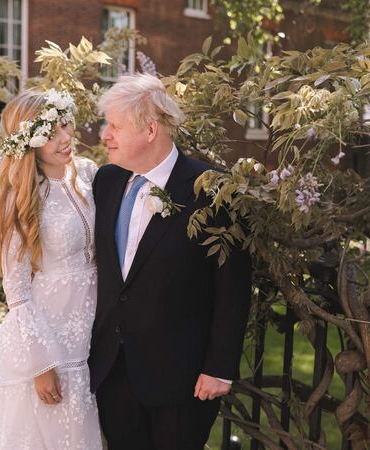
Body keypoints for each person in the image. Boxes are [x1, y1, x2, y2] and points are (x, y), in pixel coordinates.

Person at [89, 74, 252, 450]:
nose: (104, 135)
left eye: (114, 126)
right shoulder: (107, 181)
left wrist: (220, 368)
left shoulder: (212, 189)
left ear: (150, 130)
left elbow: (233, 286)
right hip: (113, 371)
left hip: (183, 378)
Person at [0, 89, 102, 450]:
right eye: (51, 133)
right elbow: (18, 290)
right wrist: (41, 365)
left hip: (90, 328)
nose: (66, 138)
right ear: (31, 142)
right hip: (47, 339)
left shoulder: (89, 174)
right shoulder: (22, 195)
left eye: (65, 126)